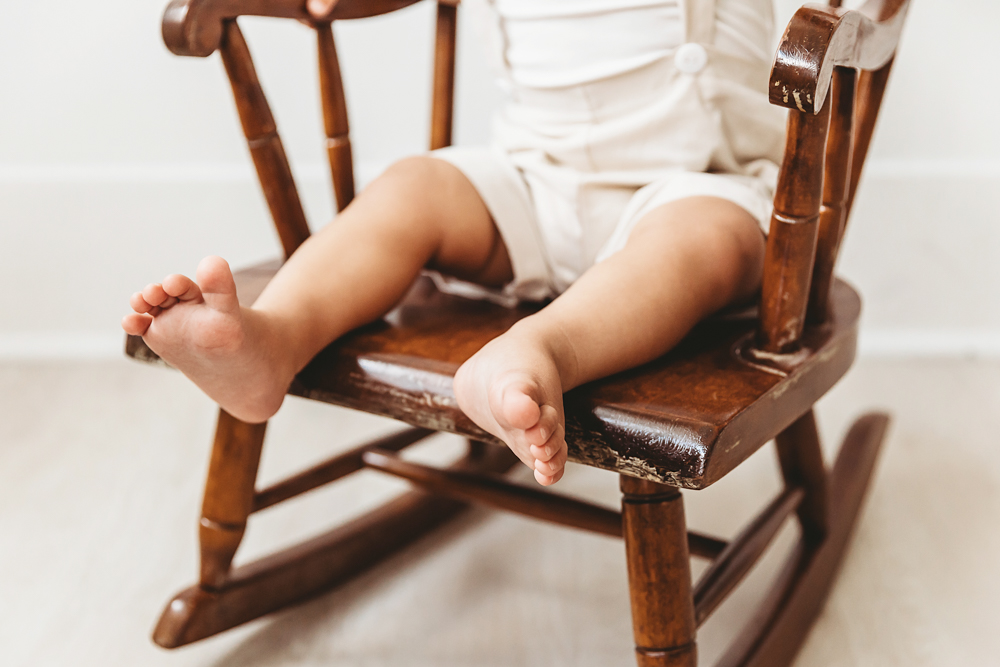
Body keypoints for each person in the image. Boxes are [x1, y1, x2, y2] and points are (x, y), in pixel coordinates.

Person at [122, 0, 785, 486]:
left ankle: (536, 349)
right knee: (415, 185)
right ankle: (273, 339)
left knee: (703, 241)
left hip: (700, 188)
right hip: (534, 181)